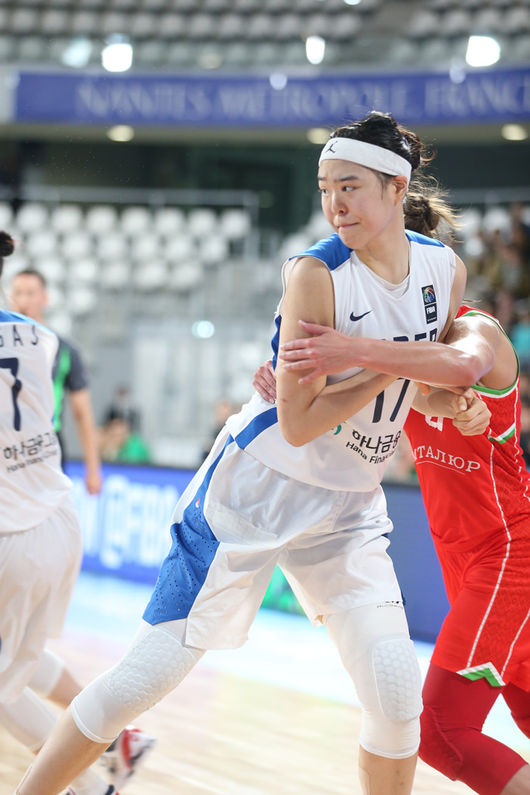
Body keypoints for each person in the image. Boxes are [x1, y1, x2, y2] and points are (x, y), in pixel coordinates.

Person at [16, 111, 470, 795]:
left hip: (349, 503)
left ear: (397, 186)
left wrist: (449, 401)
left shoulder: (444, 270)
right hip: (256, 488)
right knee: (143, 680)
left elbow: (421, 388)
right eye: (324, 188)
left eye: (349, 186)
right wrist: (396, 362)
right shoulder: (315, 272)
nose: (334, 204)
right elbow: (299, 422)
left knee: (396, 691)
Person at [254, 275, 530, 791]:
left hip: (510, 553)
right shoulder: (396, 345)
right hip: (466, 558)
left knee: (441, 731)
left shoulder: (475, 329)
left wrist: (350, 350)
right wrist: (285, 383)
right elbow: (362, 396)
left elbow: (463, 364)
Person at [0, 232, 153, 795]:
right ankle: (115, 745)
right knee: (18, 657)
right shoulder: (45, 340)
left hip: (12, 529)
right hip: (54, 516)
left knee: (4, 681)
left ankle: (91, 785)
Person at [10, 269, 102, 495]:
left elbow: (82, 412)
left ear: (45, 298)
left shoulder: (63, 350)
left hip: (47, 446)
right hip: (7, 443)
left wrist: (93, 469)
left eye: (30, 293)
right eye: (18, 293)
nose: (23, 301)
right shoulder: (4, 346)